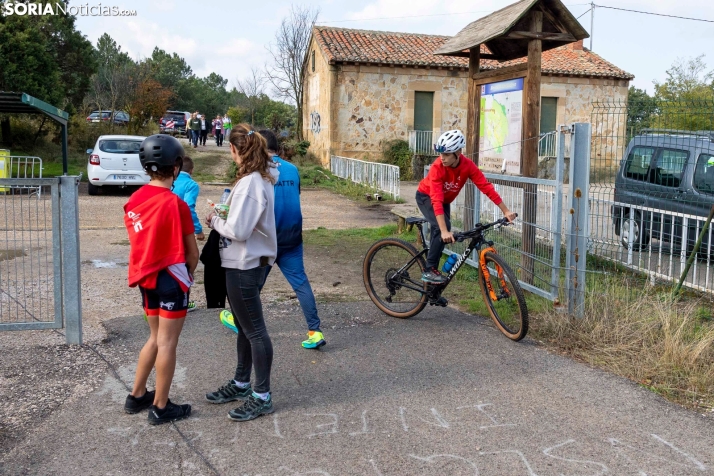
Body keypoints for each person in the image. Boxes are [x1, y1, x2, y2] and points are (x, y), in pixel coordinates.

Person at [220, 129, 325, 349]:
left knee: (251, 283)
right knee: (300, 283)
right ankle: (315, 331)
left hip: (268, 239)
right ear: (278, 148)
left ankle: (238, 318)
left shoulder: (257, 171)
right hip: (293, 235)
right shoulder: (293, 169)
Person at [122, 134, 198, 425]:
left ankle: (137, 394)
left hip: (146, 279)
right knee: (167, 343)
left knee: (154, 337)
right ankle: (161, 407)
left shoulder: (134, 200)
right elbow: (192, 253)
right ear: (177, 166)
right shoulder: (175, 203)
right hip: (170, 279)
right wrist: (187, 276)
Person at [204, 124, 278, 422]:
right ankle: (242, 382)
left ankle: (261, 395)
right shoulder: (260, 180)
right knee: (246, 327)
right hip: (246, 262)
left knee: (255, 330)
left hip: (244, 265)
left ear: (235, 150)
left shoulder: (250, 184)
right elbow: (245, 222)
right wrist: (226, 214)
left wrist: (213, 220)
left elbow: (239, 230)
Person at [417, 129, 516, 284]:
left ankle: (431, 286)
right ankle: (429, 270)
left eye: (447, 154)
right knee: (442, 229)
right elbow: (435, 199)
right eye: (441, 154)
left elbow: (486, 187)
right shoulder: (437, 167)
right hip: (426, 197)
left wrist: (506, 210)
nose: (442, 158)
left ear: (458, 152)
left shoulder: (467, 165)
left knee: (444, 236)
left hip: (444, 201)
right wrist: (443, 230)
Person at [172, 156, 205, 312]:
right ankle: (185, 300)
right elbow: (189, 207)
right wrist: (198, 230)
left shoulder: (170, 181)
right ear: (191, 170)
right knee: (187, 263)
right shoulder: (191, 184)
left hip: (167, 228)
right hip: (182, 230)